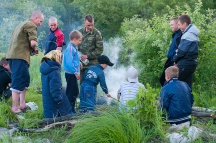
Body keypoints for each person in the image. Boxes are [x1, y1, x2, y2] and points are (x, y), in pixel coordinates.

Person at [6, 10, 44, 113]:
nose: (40, 24)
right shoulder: (31, 24)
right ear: (35, 18)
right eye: (40, 21)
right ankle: (14, 107)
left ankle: (22, 104)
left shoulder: (21, 24)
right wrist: (35, 48)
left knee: (25, 79)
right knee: (18, 80)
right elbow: (33, 42)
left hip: (13, 55)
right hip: (20, 56)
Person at [40, 50, 72, 118]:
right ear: (56, 58)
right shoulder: (54, 71)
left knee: (49, 118)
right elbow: (55, 88)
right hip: (55, 102)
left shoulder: (46, 68)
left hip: (47, 99)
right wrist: (59, 99)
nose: (61, 60)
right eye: (60, 57)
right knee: (59, 120)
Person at [173, 14, 200, 89]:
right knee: (187, 86)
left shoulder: (187, 35)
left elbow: (181, 52)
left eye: (179, 24)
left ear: (184, 23)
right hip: (191, 63)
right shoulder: (193, 34)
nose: (178, 27)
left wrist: (175, 60)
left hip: (185, 63)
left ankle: (165, 100)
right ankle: (188, 100)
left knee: (172, 81)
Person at [78, 15, 104, 84]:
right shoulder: (79, 32)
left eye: (92, 25)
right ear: (84, 23)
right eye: (88, 25)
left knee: (91, 86)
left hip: (92, 65)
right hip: (82, 65)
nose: (90, 27)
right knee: (82, 85)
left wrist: (88, 56)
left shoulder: (97, 34)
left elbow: (100, 50)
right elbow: (76, 47)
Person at [63, 30, 82, 113]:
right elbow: (69, 62)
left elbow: (74, 60)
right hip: (70, 73)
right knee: (71, 92)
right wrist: (75, 72)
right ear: (74, 39)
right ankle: (69, 110)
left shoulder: (74, 48)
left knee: (75, 91)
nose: (79, 42)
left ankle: (72, 109)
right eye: (79, 40)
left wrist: (79, 63)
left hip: (72, 73)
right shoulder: (70, 48)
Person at [160, 17, 182, 86]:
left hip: (174, 61)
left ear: (177, 24)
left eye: (172, 25)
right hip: (170, 60)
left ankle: (167, 95)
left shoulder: (180, 35)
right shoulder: (175, 35)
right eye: (170, 25)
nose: (171, 27)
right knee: (163, 79)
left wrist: (176, 61)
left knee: (165, 79)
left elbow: (179, 50)